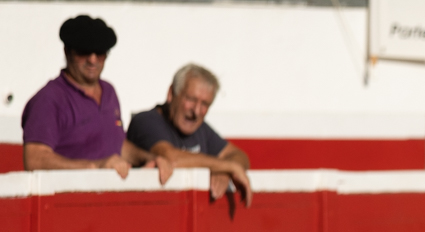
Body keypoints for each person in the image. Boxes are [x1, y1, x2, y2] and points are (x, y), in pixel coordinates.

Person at [21, 16, 162, 180]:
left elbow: (117, 143)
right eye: (84, 52)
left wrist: (149, 158)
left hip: (110, 201)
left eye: (100, 53)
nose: (92, 59)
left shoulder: (108, 91)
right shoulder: (48, 99)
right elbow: (34, 160)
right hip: (68, 202)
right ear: (67, 52)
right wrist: (94, 167)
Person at [127, 64, 252, 206]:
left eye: (205, 104)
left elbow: (240, 156)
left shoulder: (201, 129)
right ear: (171, 93)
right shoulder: (146, 121)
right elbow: (169, 158)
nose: (197, 111)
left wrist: (224, 172)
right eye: (191, 99)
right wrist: (227, 167)